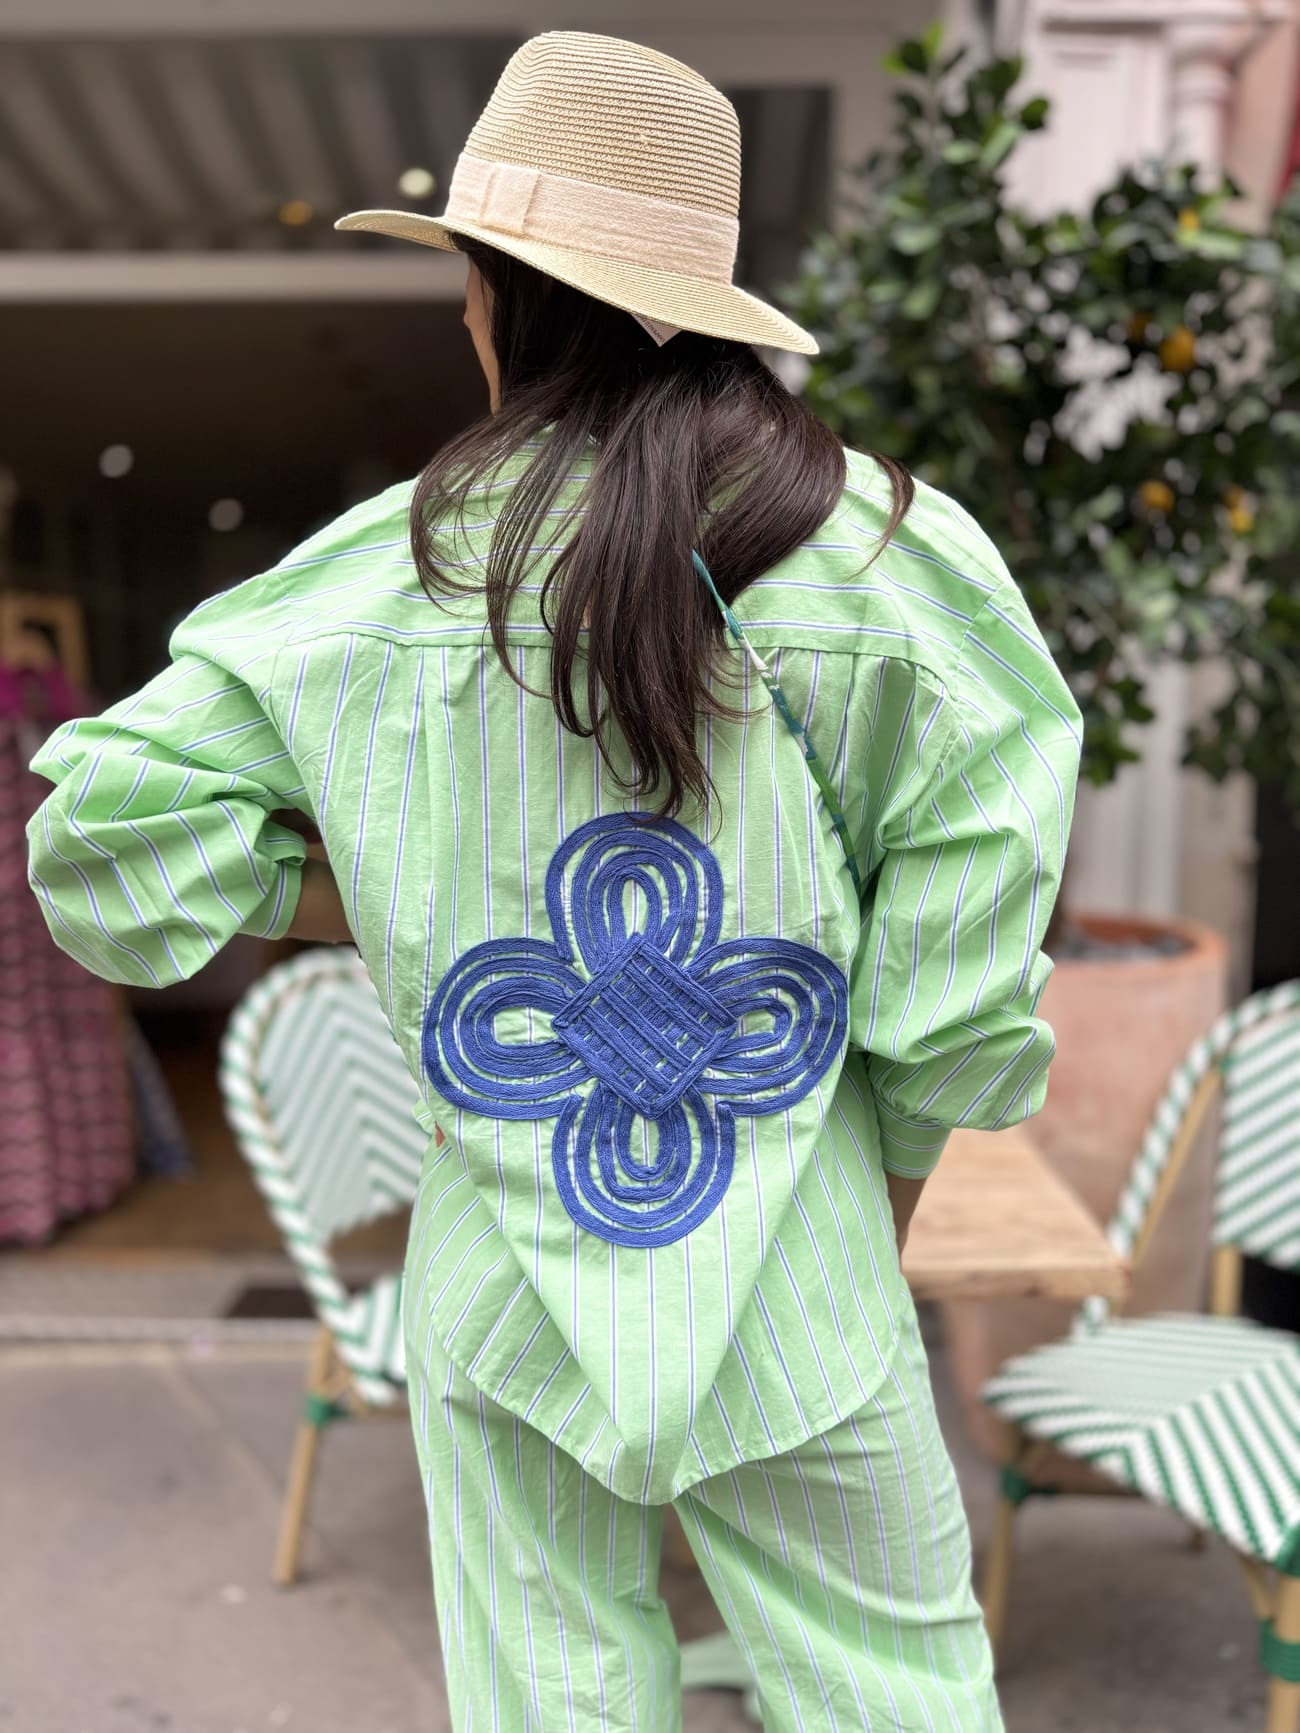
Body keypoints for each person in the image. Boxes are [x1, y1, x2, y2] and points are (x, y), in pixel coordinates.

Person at [27, 31, 1080, 1733]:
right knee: (898, 1693)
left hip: (499, 1280)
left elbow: (106, 844)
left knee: (549, 1699)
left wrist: (389, 889)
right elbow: (957, 991)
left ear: (493, 295)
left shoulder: (384, 571)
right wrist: (862, 1212)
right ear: (703, 298)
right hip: (807, 1268)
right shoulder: (897, 557)